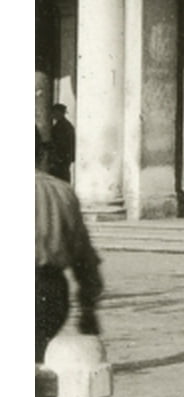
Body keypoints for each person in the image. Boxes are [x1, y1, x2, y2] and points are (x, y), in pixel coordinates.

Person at [37, 133, 103, 363]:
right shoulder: (61, 191)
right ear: (40, 153)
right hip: (51, 291)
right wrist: (88, 307)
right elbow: (83, 254)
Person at [45, 104, 76, 184]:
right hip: (62, 159)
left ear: (60, 113)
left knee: (59, 180)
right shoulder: (63, 125)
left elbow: (61, 143)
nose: (53, 114)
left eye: (55, 112)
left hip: (60, 159)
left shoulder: (63, 126)